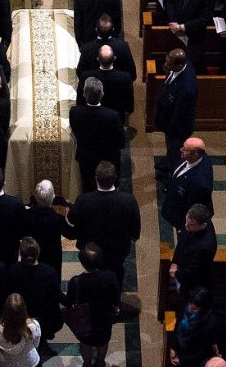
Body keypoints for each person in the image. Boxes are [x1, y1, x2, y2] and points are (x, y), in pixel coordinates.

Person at [65, 161, 141, 291]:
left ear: (96, 178)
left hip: (90, 250)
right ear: (115, 178)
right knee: (116, 273)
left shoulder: (83, 200)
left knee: (91, 275)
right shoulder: (128, 200)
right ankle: (115, 303)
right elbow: (135, 231)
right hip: (117, 251)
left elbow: (71, 218)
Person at [64, 243, 120, 367]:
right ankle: (100, 362)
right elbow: (116, 298)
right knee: (103, 342)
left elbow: (69, 302)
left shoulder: (76, 282)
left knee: (86, 343)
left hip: (84, 320)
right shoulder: (110, 277)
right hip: (103, 318)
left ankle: (87, 364)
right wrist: (116, 310)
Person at [70, 77, 124, 193]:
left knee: (88, 187)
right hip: (107, 159)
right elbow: (120, 142)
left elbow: (75, 130)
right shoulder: (113, 116)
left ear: (84, 94)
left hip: (86, 157)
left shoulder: (75, 112)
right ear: (102, 94)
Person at [6, 237, 63, 341]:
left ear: (21, 254)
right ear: (38, 253)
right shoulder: (49, 272)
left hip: (21, 314)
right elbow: (56, 295)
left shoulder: (12, 271)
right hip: (45, 316)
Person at [154, 48, 198, 178]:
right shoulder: (181, 66)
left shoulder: (186, 89)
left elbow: (179, 116)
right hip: (169, 121)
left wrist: (168, 128)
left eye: (169, 63)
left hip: (178, 129)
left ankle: (172, 175)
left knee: (176, 153)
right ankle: (168, 162)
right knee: (170, 148)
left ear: (179, 65)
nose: (166, 65)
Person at [161, 137, 214, 230]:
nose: (181, 149)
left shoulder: (201, 184)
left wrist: (184, 225)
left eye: (185, 149)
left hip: (179, 217)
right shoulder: (190, 158)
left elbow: (192, 208)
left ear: (195, 154)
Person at [171, 204, 217, 303]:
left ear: (203, 225)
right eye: (186, 221)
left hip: (193, 280)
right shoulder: (192, 223)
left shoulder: (205, 247)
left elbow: (192, 272)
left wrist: (175, 273)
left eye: (191, 224)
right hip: (183, 264)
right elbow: (182, 241)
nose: (186, 225)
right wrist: (175, 261)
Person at [169, 287, 217, 367]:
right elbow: (176, 327)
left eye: (195, 309)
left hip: (193, 361)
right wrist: (173, 347)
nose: (190, 310)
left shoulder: (210, 323)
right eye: (189, 305)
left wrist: (182, 360)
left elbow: (202, 351)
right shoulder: (186, 308)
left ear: (203, 309)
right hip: (180, 352)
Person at [0, 293, 41, 367]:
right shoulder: (33, 326)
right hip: (29, 362)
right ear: (24, 309)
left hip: (6, 363)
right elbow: (36, 344)